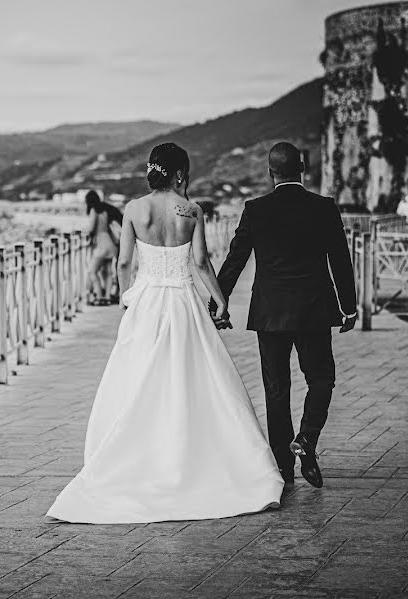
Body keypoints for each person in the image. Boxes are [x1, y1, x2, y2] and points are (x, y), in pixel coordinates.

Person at [47, 143, 283, 523]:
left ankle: (138, 458)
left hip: (147, 304)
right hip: (184, 302)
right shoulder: (191, 211)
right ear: (179, 173)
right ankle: (204, 461)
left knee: (139, 380)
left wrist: (127, 298)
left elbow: (125, 261)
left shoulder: (134, 209)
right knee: (198, 380)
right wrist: (220, 301)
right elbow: (202, 262)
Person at [211, 142, 358, 488]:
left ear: (270, 172)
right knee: (321, 379)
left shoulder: (256, 209)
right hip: (314, 311)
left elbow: (236, 259)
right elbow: (340, 258)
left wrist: (219, 301)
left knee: (276, 389)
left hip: (270, 313)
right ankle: (306, 440)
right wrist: (348, 307)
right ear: (302, 168)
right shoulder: (323, 208)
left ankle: (283, 469)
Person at [85, 190, 122, 305]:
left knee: (92, 271)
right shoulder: (104, 210)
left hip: (100, 243)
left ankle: (99, 295)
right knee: (107, 272)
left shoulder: (93, 210)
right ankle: (107, 298)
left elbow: (91, 229)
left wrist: (88, 235)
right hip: (110, 243)